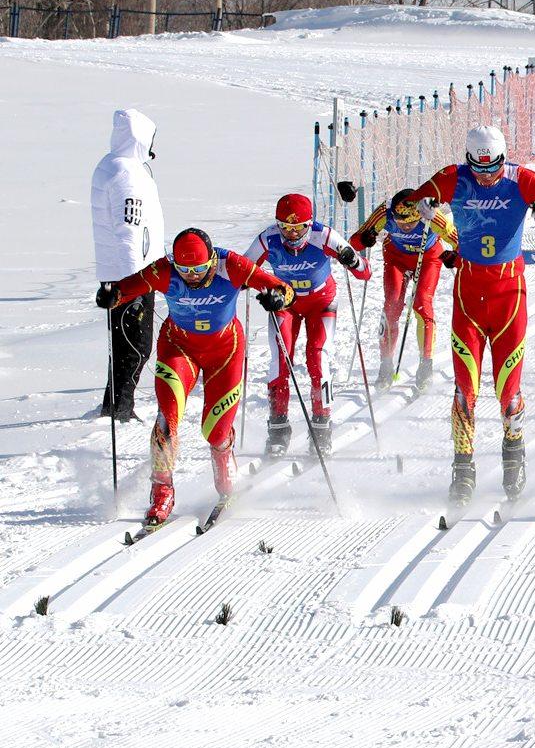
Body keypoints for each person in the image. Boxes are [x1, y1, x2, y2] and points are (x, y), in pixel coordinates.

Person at [411, 125, 535, 505]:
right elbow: (405, 204)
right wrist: (424, 208)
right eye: (479, 169)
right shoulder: (454, 177)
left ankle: (514, 458)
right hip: (468, 295)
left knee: (507, 391)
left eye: (493, 169)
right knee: (464, 391)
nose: (486, 178)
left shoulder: (522, 178)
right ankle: (463, 469)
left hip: (509, 295)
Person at [94, 228, 292, 527]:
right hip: (178, 347)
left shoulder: (232, 265)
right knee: (166, 419)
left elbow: (282, 289)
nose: (192, 276)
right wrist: (111, 295)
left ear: (212, 259)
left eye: (199, 269)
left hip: (224, 352)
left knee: (214, 430)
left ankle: (227, 487)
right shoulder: (164, 269)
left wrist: (277, 298)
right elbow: (125, 289)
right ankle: (162, 494)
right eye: (185, 270)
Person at [245, 194, 371, 456]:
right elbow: (241, 273)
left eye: (299, 227)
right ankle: (278, 429)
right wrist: (266, 289)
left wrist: (352, 259)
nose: (292, 234)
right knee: (281, 360)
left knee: (317, 358)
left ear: (309, 223)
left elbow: (364, 272)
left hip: (321, 303)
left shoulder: (323, 236)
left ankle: (322, 428)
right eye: (286, 227)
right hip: (286, 305)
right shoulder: (267, 239)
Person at [92, 108, 165, 422]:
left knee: (123, 345)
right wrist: (135, 281)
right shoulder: (127, 174)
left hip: (120, 273)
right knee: (136, 346)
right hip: (131, 275)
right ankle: (121, 409)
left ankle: (113, 403)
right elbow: (129, 228)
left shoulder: (113, 165)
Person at [351, 188, 460, 389]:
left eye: (411, 222)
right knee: (391, 306)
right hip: (396, 258)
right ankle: (386, 365)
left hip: (428, 258)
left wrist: (455, 257)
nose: (406, 227)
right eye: (401, 223)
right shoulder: (385, 212)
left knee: (422, 304)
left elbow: (458, 241)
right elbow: (354, 241)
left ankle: (425, 364)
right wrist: (365, 239)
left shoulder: (431, 215)